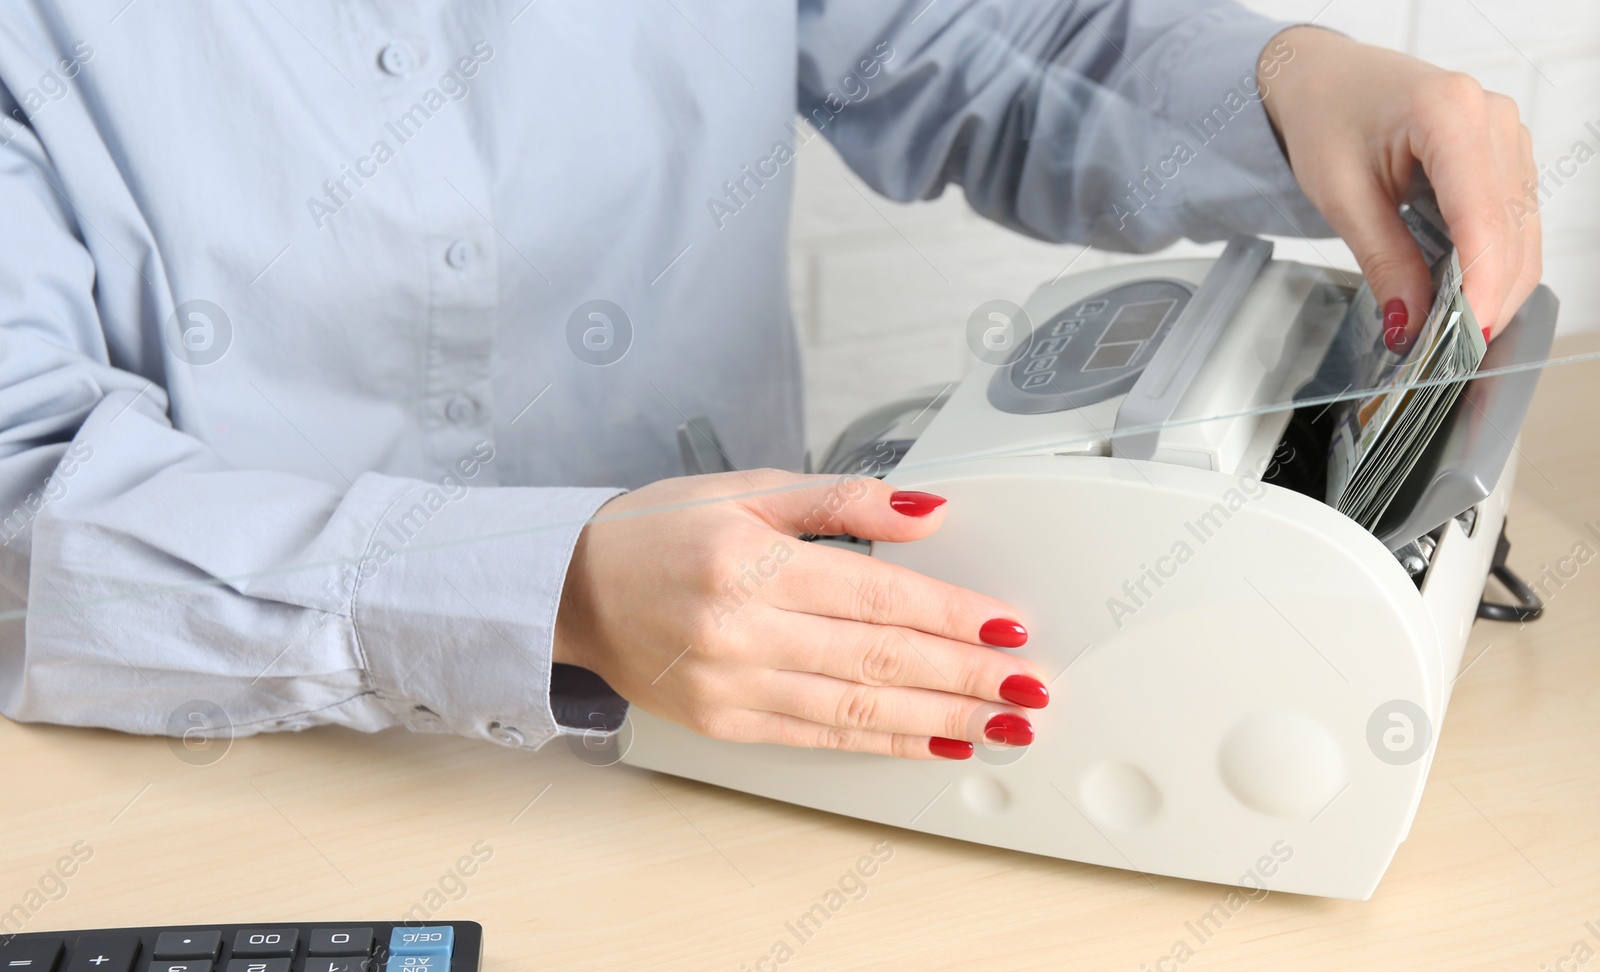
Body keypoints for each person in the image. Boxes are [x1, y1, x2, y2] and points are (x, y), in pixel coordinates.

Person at [0, 1, 1540, 762]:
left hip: (764, 722)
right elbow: (25, 509)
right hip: (219, 785)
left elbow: (999, 45)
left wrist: (1292, 86)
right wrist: (555, 591)